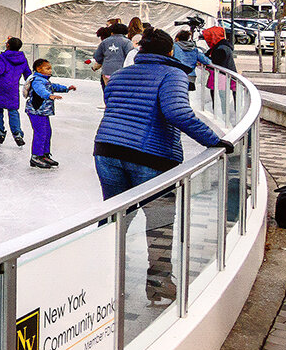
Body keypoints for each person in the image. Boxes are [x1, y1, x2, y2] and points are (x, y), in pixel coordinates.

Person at [92, 29, 222, 304]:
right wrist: (214, 141)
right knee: (160, 221)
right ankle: (159, 282)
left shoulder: (120, 75)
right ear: (170, 51)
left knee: (116, 216)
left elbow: (112, 104)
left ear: (140, 51)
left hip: (107, 150)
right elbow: (177, 112)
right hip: (151, 156)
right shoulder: (173, 74)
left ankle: (102, 277)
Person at [25, 59, 76, 169]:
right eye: (47, 68)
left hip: (43, 112)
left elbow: (54, 86)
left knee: (47, 132)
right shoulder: (37, 81)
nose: (50, 70)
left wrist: (67, 88)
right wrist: (49, 95)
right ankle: (36, 156)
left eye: (50, 68)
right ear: (39, 69)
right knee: (41, 133)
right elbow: (40, 90)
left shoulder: (44, 80)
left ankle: (44, 154)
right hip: (36, 111)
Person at [0, 37, 31, 146]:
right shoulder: (23, 59)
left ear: (8, 45)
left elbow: (0, 70)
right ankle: (17, 133)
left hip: (0, 86)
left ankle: (0, 133)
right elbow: (27, 73)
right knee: (13, 110)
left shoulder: (3, 56)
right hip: (13, 88)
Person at [93, 22, 133, 92]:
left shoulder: (104, 42)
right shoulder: (127, 42)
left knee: (108, 92)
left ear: (112, 32)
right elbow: (130, 56)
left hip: (107, 72)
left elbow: (97, 56)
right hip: (121, 73)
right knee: (119, 92)